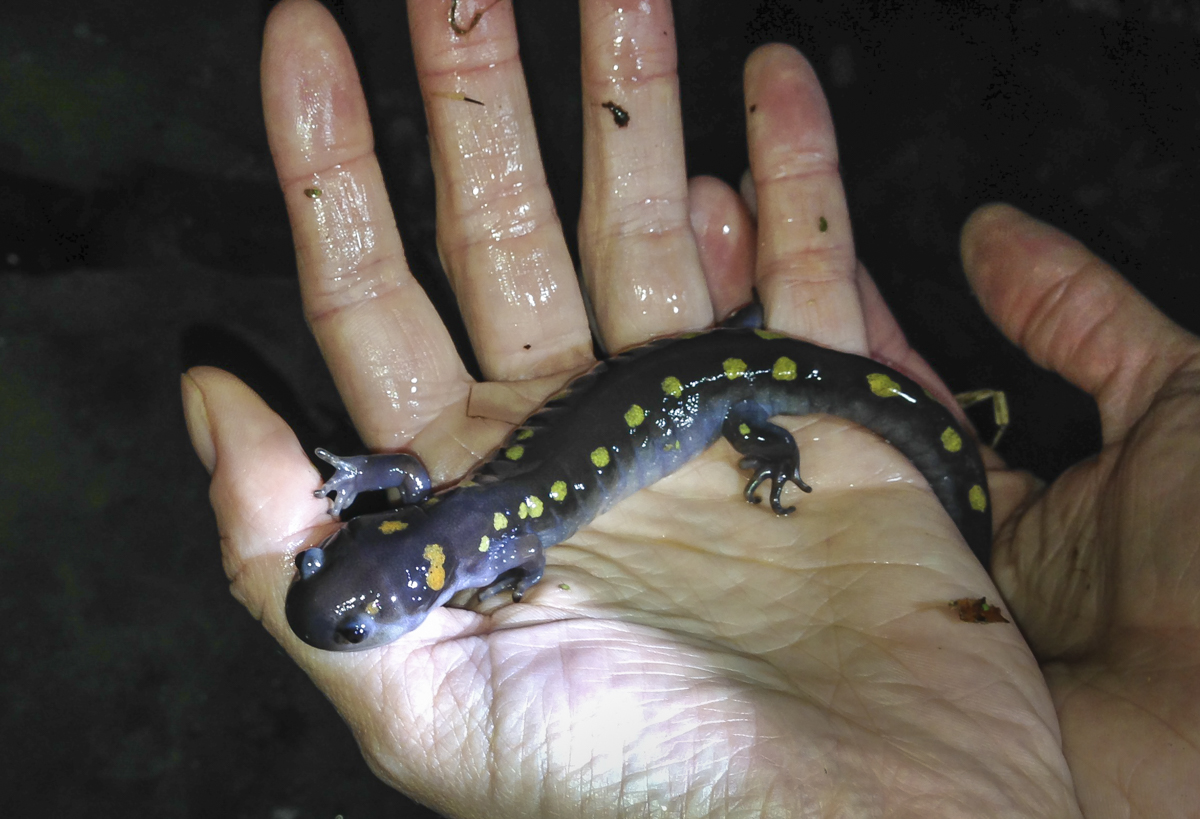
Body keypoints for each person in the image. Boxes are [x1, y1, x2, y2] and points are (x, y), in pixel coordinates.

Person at [180, 0, 1200, 815]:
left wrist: (373, 480)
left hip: (718, 383)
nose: (319, 555)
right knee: (740, 381)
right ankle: (752, 366)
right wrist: (379, 486)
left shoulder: (461, 538)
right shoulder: (464, 533)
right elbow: (454, 515)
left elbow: (444, 506)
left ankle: (763, 391)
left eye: (325, 563)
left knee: (757, 394)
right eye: (343, 578)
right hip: (699, 373)